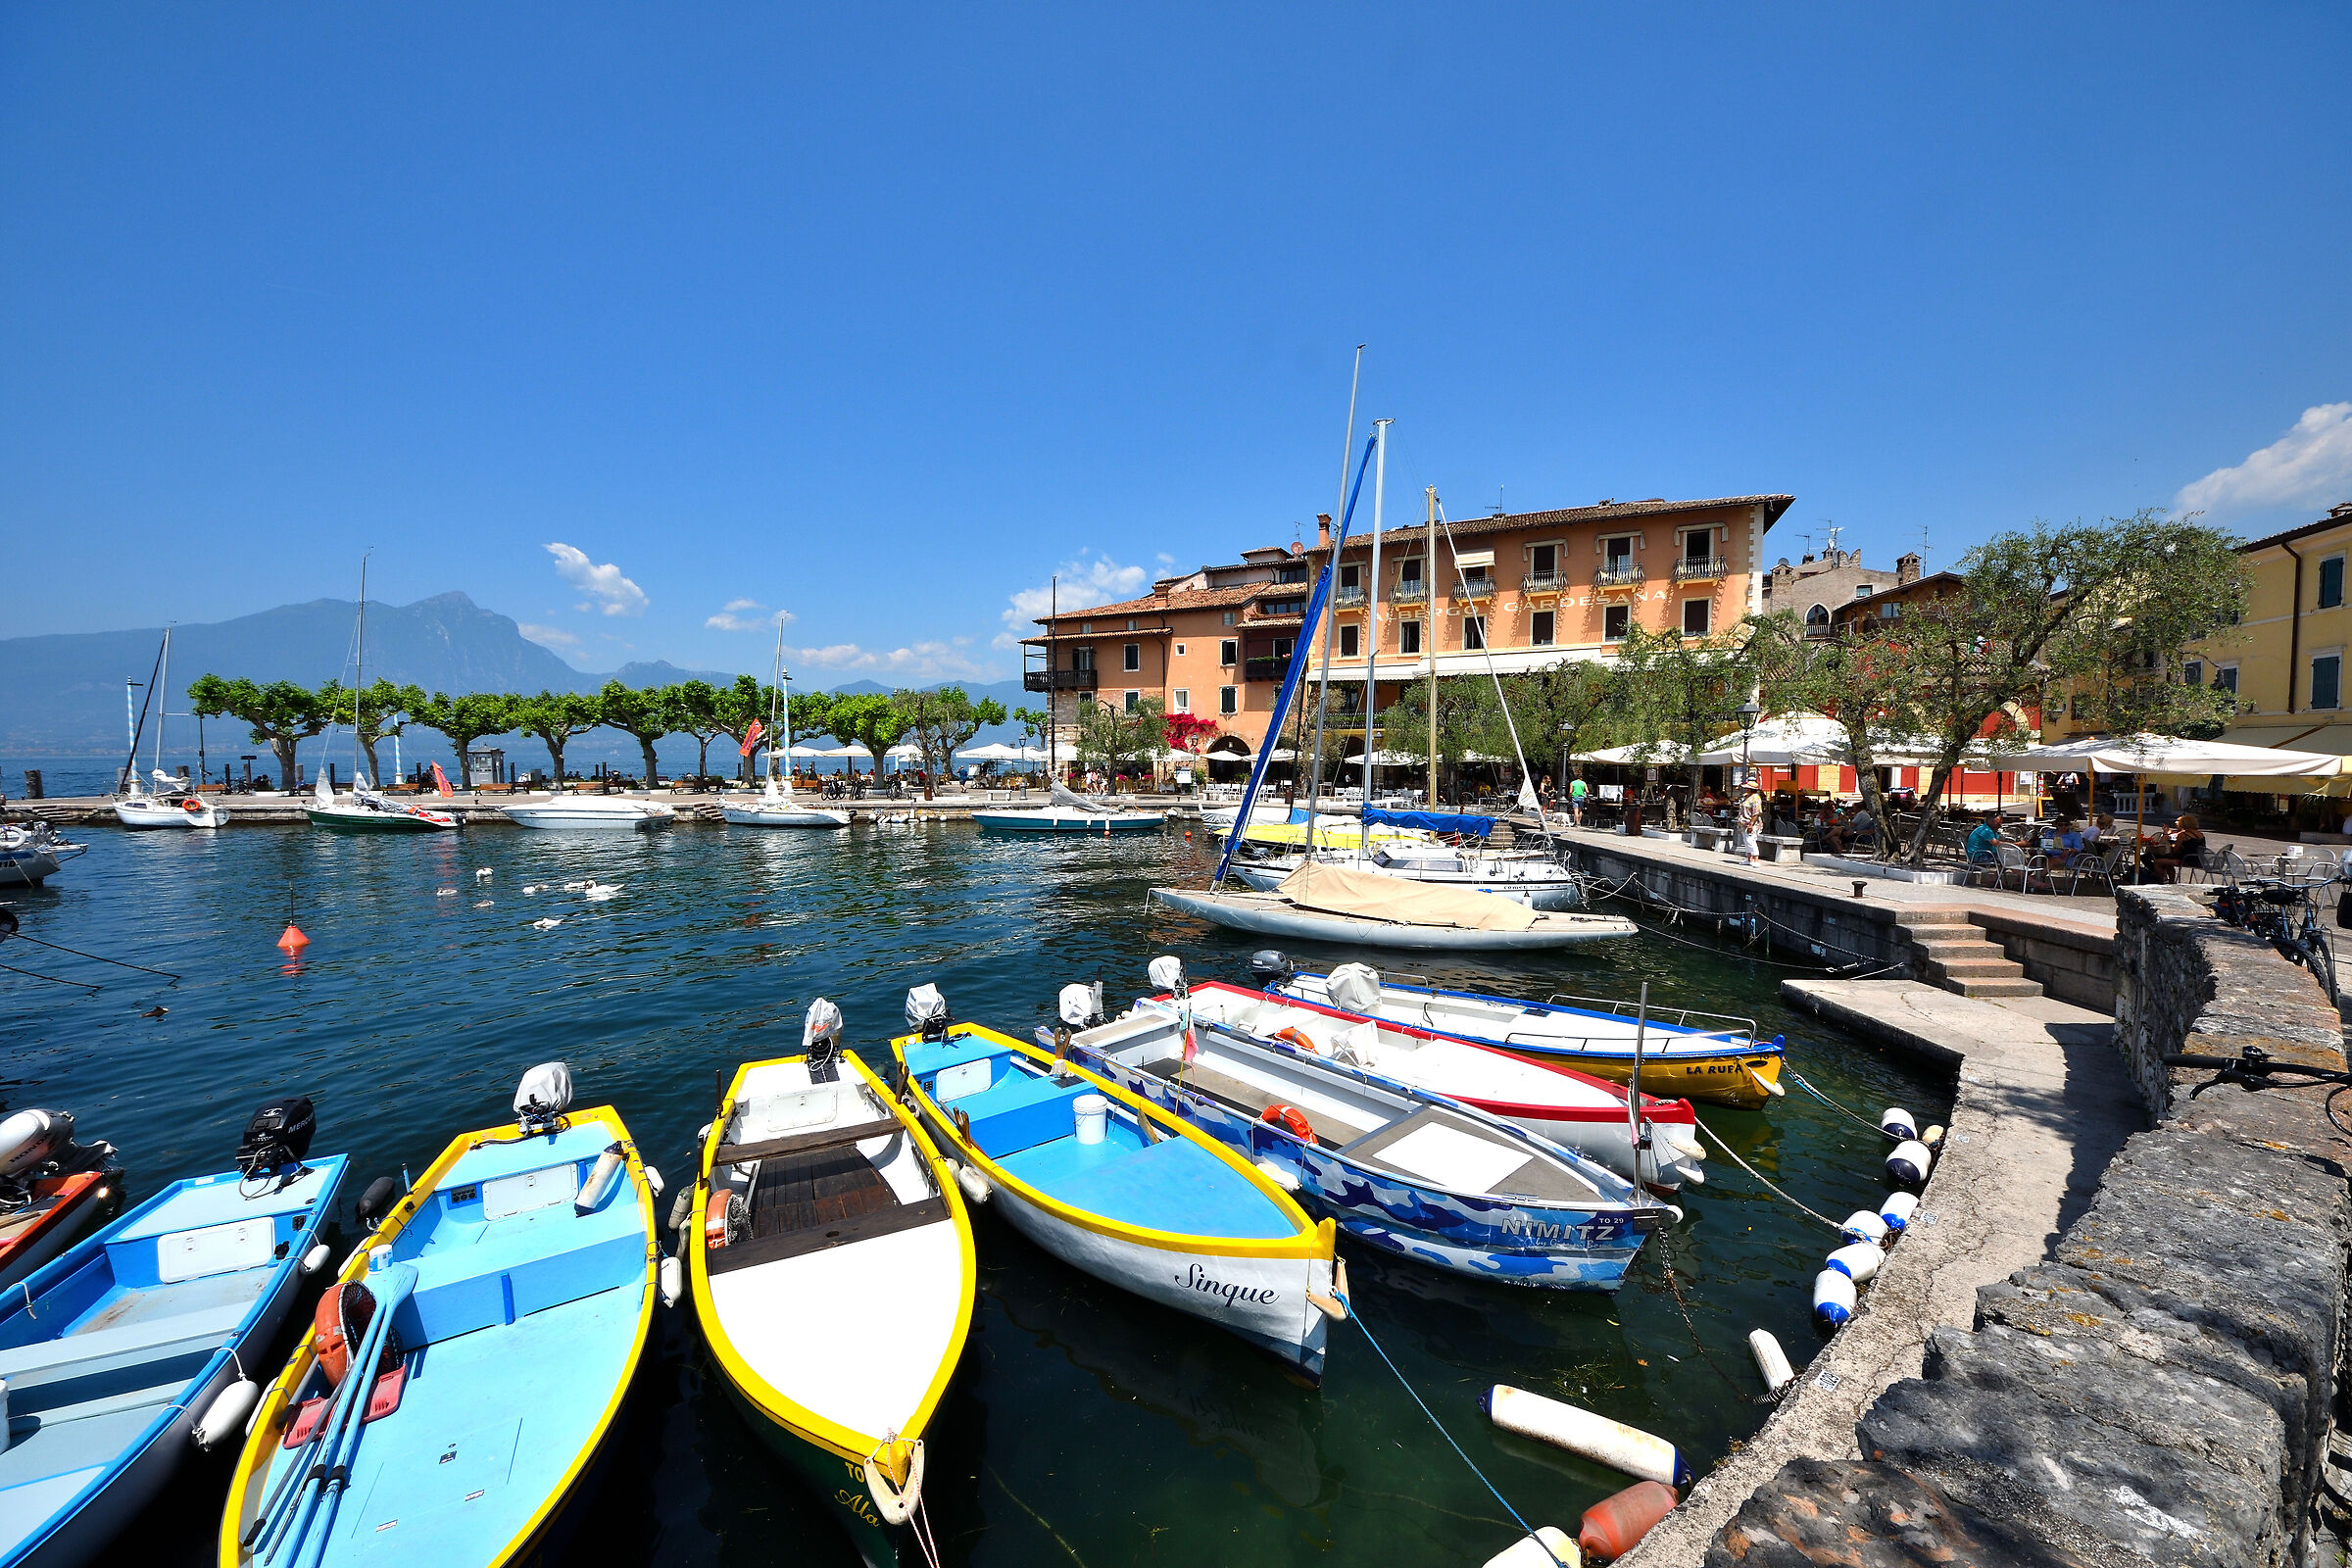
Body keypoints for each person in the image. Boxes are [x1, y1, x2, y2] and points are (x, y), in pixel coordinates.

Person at [2147, 813, 2207, 883]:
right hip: (2198, 859)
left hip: (2186, 860)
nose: (2176, 823)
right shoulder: (2200, 834)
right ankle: (2171, 882)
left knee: (2157, 862)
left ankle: (2161, 882)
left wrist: (2172, 845)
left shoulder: (2182, 835)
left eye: (2178, 821)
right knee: (2167, 862)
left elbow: (2175, 850)